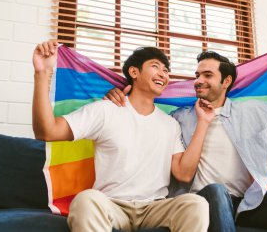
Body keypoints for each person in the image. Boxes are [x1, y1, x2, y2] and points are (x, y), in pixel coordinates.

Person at [105, 33, 267, 232]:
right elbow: (145, 115)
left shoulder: (253, 112)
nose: (198, 80)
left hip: (247, 204)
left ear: (226, 81)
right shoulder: (178, 118)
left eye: (207, 75)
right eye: (197, 75)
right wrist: (118, 96)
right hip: (203, 201)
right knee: (217, 191)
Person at [32, 41, 214, 232]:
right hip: (112, 204)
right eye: (155, 66)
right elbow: (47, 131)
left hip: (155, 207)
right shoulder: (105, 111)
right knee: (85, 200)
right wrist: (42, 74)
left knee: (196, 204)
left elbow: (183, 174)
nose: (163, 74)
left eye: (166, 70)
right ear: (134, 72)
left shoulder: (170, 124)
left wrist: (203, 122)